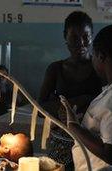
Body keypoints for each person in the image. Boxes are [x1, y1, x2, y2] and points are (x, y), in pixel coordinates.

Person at [60, 21, 112, 170]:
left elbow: (110, 154)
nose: (91, 59)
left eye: (93, 55)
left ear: (101, 56)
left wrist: (74, 127)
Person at [38, 11, 102, 169]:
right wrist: (64, 107)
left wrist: (82, 100)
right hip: (61, 142)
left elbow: (108, 103)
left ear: (92, 37)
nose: (80, 43)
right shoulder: (55, 69)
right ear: (65, 37)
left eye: (86, 37)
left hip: (92, 143)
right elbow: (40, 108)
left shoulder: (100, 69)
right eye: (74, 37)